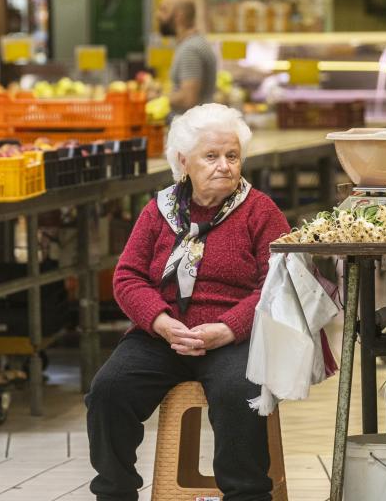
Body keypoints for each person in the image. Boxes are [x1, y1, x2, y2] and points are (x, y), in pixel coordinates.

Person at [86, 103, 289, 501]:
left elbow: (276, 286)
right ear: (184, 162)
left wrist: (228, 328)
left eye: (232, 156)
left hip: (233, 337)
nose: (225, 166)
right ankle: (115, 493)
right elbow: (127, 277)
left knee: (239, 392)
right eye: (211, 156)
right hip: (163, 334)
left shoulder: (260, 211)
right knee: (108, 390)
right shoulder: (159, 210)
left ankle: (247, 495)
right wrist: (160, 322)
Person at [157, 0, 217, 122]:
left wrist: (156, 98)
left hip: (194, 131)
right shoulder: (193, 44)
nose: (158, 15)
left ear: (179, 16)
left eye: (164, 10)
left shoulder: (190, 49)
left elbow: (188, 98)